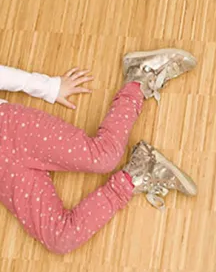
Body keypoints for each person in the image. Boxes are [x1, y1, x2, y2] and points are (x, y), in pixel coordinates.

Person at [0, 48, 197, 254]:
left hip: (10, 129)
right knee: (59, 240)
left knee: (104, 157)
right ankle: (137, 173)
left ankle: (139, 78)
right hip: (4, 172)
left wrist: (49, 87)